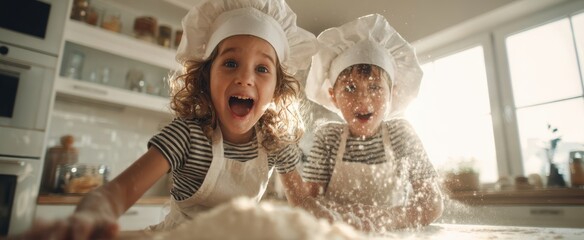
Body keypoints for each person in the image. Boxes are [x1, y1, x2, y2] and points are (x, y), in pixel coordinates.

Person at [15, 0, 317, 239]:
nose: (245, 78)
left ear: (277, 89)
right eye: (230, 63)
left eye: (262, 69)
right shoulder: (186, 135)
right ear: (205, 77)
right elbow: (117, 193)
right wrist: (89, 215)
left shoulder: (275, 142)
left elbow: (303, 204)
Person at [297, 14, 444, 232]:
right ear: (333, 96)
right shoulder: (328, 137)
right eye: (349, 88)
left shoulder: (401, 134)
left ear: (392, 94)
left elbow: (432, 204)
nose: (363, 100)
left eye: (375, 87)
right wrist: (344, 219)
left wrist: (387, 217)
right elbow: (307, 204)